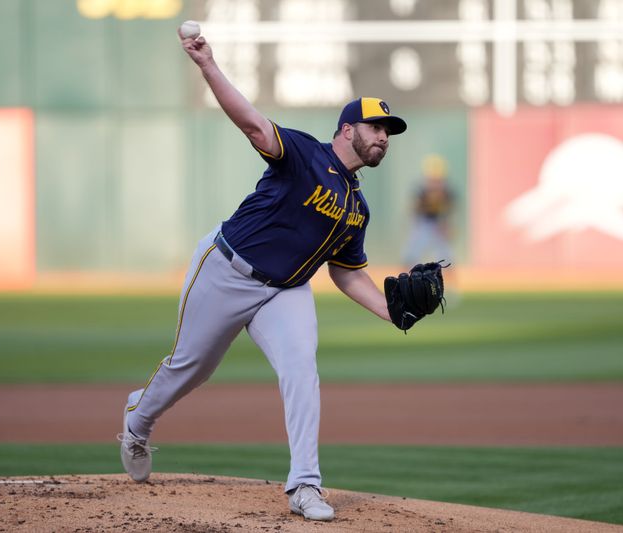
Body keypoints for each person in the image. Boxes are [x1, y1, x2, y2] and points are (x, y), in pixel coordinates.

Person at [117, 28, 408, 522]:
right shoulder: (302, 153)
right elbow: (253, 125)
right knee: (192, 368)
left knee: (301, 371)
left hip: (286, 290)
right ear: (347, 129)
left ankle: (305, 486)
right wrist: (207, 64)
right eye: (376, 126)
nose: (383, 136)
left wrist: (392, 310)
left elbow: (348, 274)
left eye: (389, 131)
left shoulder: (357, 207)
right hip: (227, 268)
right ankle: (137, 420)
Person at [402, 154, 455, 267]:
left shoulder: (446, 191)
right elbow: (414, 209)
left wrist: (446, 225)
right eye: (432, 179)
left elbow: (449, 210)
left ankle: (448, 274)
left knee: (444, 251)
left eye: (438, 179)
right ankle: (406, 271)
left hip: (438, 223)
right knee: (414, 248)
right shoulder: (421, 190)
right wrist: (429, 204)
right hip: (423, 221)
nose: (435, 182)